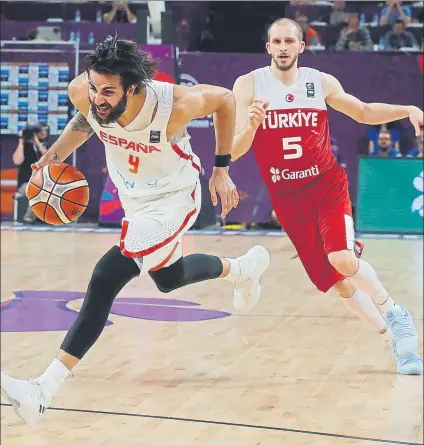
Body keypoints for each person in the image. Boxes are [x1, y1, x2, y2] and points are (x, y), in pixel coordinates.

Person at [1, 36, 270, 426]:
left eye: (108, 91)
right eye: (94, 87)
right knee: (167, 278)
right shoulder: (85, 93)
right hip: (135, 201)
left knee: (105, 277)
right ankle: (242, 269)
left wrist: (222, 168)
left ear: (134, 88)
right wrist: (51, 157)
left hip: (176, 199)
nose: (98, 97)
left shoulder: (174, 104)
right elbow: (85, 120)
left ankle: (43, 389)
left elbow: (225, 99)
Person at [231, 18, 423, 376]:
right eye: (277, 41)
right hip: (287, 197)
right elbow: (235, 149)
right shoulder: (248, 85)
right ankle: (392, 340)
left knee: (342, 259)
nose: (284, 47)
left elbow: (363, 111)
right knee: (337, 281)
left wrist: (408, 109)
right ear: (268, 47)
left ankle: (395, 313)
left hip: (326, 185)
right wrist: (252, 125)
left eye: (291, 41)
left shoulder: (319, 82)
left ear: (302, 46)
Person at [13, 123, 49, 223]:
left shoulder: (44, 146)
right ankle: (29, 217)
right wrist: (21, 141)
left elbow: (48, 159)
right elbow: (17, 161)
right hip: (25, 184)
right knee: (37, 189)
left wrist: (36, 142)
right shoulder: (24, 147)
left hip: (42, 183)